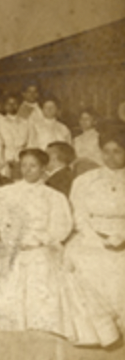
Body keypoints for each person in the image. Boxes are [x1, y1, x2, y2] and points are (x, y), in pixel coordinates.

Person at [0, 148, 119, 346]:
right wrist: (13, 240)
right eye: (23, 165)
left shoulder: (54, 197)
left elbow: (61, 227)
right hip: (13, 248)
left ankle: (41, 331)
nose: (27, 170)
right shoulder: (4, 193)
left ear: (43, 168)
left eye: (33, 166)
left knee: (41, 265)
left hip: (41, 247)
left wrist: (40, 240)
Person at [65, 123, 125, 319]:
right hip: (92, 237)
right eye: (106, 151)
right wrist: (98, 239)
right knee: (89, 263)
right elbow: (78, 215)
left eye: (117, 151)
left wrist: (121, 237)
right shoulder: (85, 180)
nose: (110, 157)